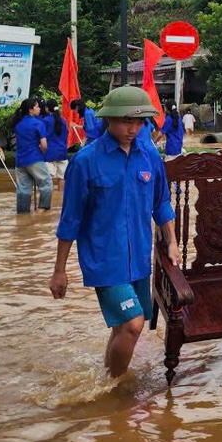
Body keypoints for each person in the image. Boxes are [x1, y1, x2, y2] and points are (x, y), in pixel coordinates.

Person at [49, 86, 182, 379]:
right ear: (109, 119)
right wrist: (59, 270)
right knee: (133, 323)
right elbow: (70, 219)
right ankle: (119, 388)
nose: (133, 129)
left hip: (139, 258)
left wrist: (172, 242)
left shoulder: (149, 156)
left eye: (139, 122)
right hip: (104, 260)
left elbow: (161, 202)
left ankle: (106, 378)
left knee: (124, 326)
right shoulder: (85, 161)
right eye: (125, 121)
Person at [11, 97, 52, 213]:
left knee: (23, 189)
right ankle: (42, 209)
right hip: (34, 158)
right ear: (30, 109)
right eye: (37, 107)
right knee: (46, 183)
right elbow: (44, 145)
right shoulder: (38, 123)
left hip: (20, 161)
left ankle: (23, 214)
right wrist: (42, 153)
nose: (39, 109)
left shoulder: (18, 124)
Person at [42, 99, 70, 192]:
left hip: (49, 153)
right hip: (62, 152)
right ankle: (60, 198)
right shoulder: (63, 120)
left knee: (48, 179)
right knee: (62, 178)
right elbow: (66, 134)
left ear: (47, 108)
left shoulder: (45, 121)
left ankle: (49, 199)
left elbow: (42, 137)